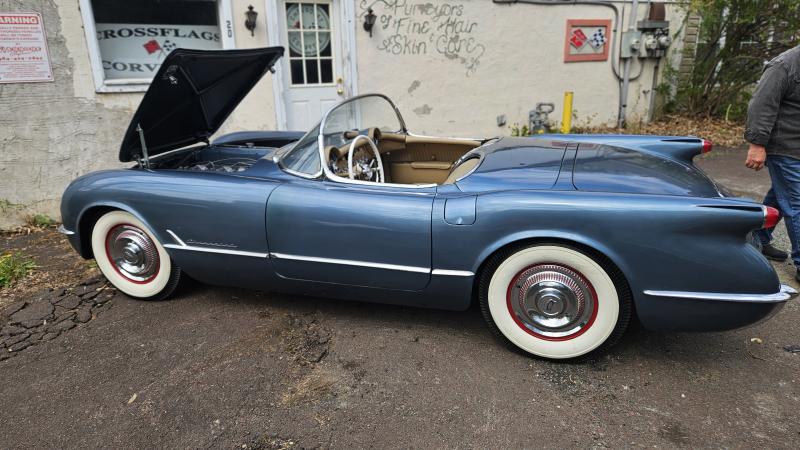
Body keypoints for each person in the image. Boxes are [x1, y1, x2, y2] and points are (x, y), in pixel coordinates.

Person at [745, 45, 800, 280]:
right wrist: (757, 144)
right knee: (797, 203)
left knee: (781, 195)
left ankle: (758, 238)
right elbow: (761, 105)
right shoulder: (784, 65)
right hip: (785, 147)